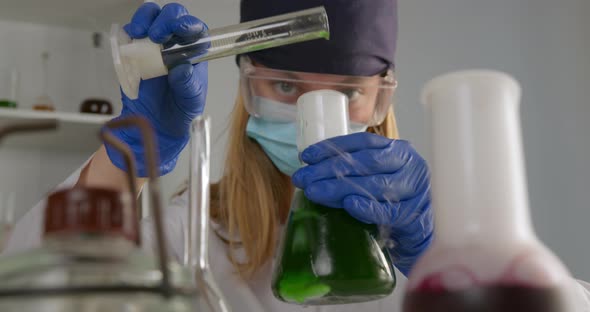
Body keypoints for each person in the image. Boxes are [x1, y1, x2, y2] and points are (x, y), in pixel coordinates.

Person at [3, 1, 590, 311]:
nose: (314, 113)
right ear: (249, 88)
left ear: (382, 95)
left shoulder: (427, 258)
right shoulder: (188, 242)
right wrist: (129, 155)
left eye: (344, 93)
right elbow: (38, 298)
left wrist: (447, 258)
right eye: (286, 87)